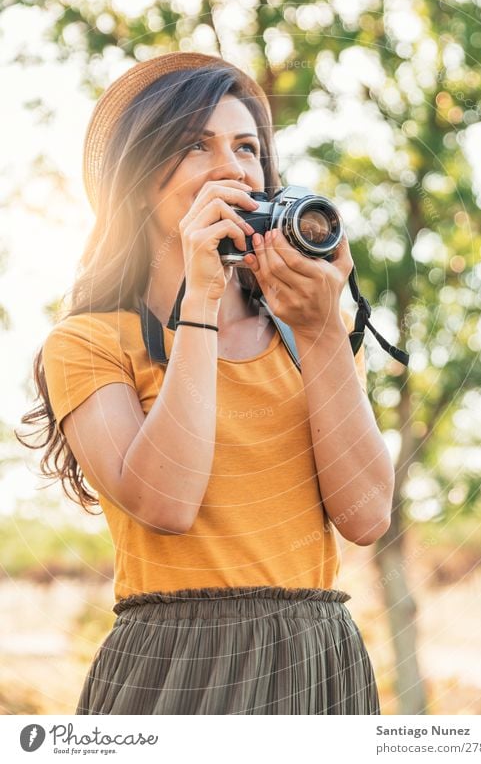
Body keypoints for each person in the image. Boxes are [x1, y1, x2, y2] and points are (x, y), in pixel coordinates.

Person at [19, 51, 395, 715]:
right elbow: (166, 501)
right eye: (197, 145)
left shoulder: (309, 333)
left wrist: (323, 332)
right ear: (137, 182)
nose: (232, 167)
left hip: (318, 660)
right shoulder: (86, 342)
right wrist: (200, 300)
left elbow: (366, 516)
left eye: (247, 147)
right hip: (174, 663)